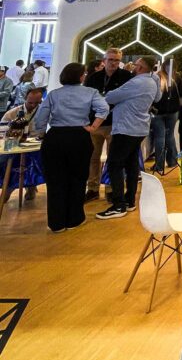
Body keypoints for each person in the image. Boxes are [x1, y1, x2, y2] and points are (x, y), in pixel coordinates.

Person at [32, 62, 108, 233]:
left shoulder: (54, 94)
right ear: (81, 77)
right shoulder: (90, 92)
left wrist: (41, 133)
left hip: (56, 136)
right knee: (78, 178)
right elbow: (103, 108)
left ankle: (56, 223)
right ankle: (74, 218)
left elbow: (41, 117)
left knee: (55, 180)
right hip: (79, 136)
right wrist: (93, 126)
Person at [97, 56, 161, 220]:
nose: (133, 67)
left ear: (140, 68)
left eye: (136, 65)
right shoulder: (152, 81)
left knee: (114, 165)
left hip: (126, 128)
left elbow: (111, 97)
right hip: (138, 128)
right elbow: (158, 98)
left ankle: (118, 205)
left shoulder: (137, 82)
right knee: (131, 164)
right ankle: (129, 200)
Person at [84, 47, 133, 202]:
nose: (113, 63)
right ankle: (92, 188)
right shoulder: (94, 77)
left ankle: (112, 189)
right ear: (104, 61)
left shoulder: (126, 77)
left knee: (114, 159)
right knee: (93, 157)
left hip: (115, 123)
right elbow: (86, 98)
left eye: (117, 60)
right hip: (95, 123)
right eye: (110, 60)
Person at [2, 86, 44, 202]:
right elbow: (2, 129)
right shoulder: (12, 113)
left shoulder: (43, 113)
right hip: (15, 145)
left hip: (35, 146)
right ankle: (8, 188)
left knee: (36, 161)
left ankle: (31, 186)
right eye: (30, 102)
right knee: (10, 161)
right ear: (26, 98)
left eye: (37, 103)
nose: (33, 105)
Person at [150, 62, 181, 175]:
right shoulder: (175, 79)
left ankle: (159, 165)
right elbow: (180, 96)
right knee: (170, 136)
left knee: (160, 137)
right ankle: (172, 161)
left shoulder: (156, 78)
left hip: (158, 112)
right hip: (173, 112)